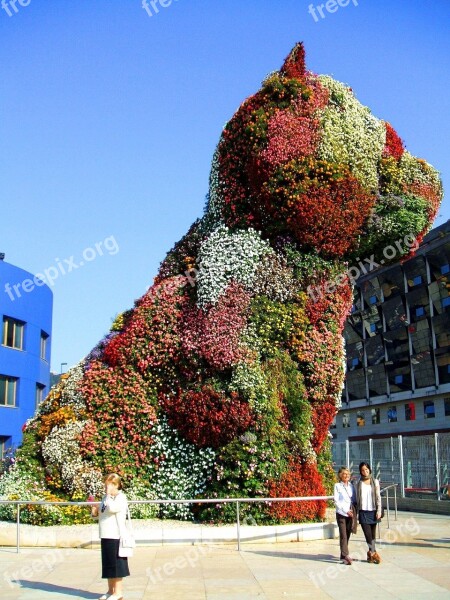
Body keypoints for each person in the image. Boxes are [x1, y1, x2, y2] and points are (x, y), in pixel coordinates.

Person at [91, 473, 130, 600]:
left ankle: (118, 593)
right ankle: (110, 590)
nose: (107, 487)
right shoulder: (105, 497)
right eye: (106, 484)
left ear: (117, 485)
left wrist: (108, 496)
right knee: (108, 564)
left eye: (110, 484)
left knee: (117, 565)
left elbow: (113, 509)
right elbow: (102, 512)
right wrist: (95, 511)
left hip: (116, 535)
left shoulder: (121, 498)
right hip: (105, 535)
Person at [356, 462, 382, 564]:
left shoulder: (375, 482)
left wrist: (379, 510)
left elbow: (378, 497)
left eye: (366, 469)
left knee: (373, 535)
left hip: (373, 511)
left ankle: (370, 555)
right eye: (363, 470)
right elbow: (356, 497)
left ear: (369, 470)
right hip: (363, 512)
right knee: (368, 535)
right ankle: (373, 552)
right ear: (360, 471)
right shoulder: (358, 482)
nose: (365, 472)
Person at [333, 466, 356, 565]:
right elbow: (336, 501)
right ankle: (346, 555)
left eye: (348, 474)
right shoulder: (337, 486)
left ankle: (343, 554)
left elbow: (354, 499)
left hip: (350, 514)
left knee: (348, 533)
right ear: (340, 475)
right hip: (342, 513)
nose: (346, 476)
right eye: (344, 474)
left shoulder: (351, 486)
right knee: (343, 535)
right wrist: (345, 510)